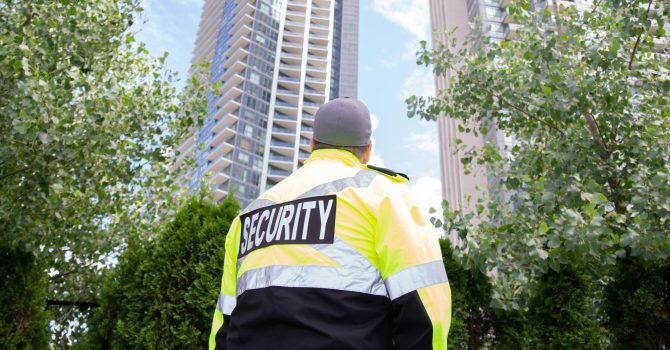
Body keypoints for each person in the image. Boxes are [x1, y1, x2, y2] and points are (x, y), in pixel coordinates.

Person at [209, 97, 451, 350]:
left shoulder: (248, 216)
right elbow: (425, 307)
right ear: (367, 150)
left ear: (312, 145)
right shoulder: (385, 197)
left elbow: (223, 324)